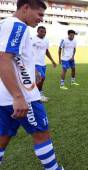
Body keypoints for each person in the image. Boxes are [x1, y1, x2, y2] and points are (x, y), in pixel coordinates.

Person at [0, 0, 63, 169]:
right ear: (26, 8)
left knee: (3, 137)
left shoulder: (6, 24)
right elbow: (3, 60)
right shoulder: (17, 26)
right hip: (23, 97)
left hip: (4, 97)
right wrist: (19, 96)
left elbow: (14, 58)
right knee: (41, 134)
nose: (41, 19)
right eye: (40, 14)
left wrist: (32, 71)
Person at [32, 26, 57, 102]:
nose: (43, 33)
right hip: (35, 63)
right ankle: (38, 95)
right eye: (41, 31)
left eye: (45, 32)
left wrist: (52, 60)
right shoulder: (33, 39)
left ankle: (38, 94)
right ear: (37, 31)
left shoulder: (46, 40)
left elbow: (46, 51)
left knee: (40, 80)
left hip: (43, 63)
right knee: (41, 77)